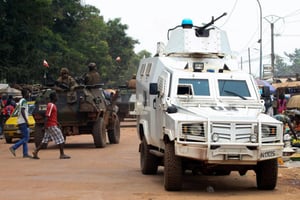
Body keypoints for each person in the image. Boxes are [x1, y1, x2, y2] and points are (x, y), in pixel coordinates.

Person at [32, 92, 70, 159]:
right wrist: (45, 126)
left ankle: (36, 151)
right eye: (56, 96)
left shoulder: (52, 105)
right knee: (61, 138)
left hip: (51, 124)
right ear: (54, 97)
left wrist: (57, 123)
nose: (57, 98)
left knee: (45, 140)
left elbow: (52, 116)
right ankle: (62, 154)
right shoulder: (51, 105)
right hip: (51, 125)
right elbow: (47, 116)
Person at [9, 89, 32, 158]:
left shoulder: (21, 101)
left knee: (24, 137)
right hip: (23, 121)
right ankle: (14, 147)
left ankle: (25, 153)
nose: (29, 95)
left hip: (20, 121)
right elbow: (22, 110)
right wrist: (26, 120)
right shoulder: (24, 101)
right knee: (26, 138)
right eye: (28, 93)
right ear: (25, 94)